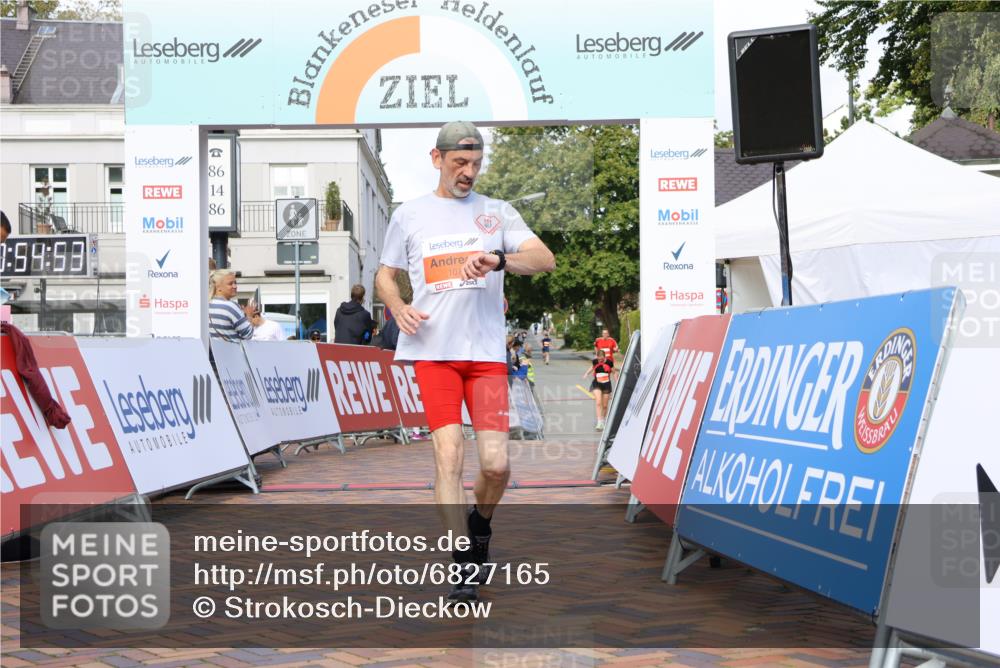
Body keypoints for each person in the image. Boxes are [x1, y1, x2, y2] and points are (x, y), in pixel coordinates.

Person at [375, 120, 556, 604]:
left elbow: (544, 259)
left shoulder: (497, 213)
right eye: (459, 163)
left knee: (496, 465)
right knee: (449, 455)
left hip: (485, 359)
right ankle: (461, 562)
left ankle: (481, 523)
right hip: (434, 355)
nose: (468, 172)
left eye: (475, 164)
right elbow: (385, 275)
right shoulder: (410, 215)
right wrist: (396, 306)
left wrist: (499, 259)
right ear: (437, 159)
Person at [208, 270, 254, 341]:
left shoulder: (207, 305)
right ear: (218, 287)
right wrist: (249, 316)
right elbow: (248, 334)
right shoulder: (230, 306)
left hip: (215, 351)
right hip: (233, 350)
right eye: (230, 284)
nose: (235, 286)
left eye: (235, 283)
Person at [583, 348, 618, 430]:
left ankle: (602, 420)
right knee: (598, 402)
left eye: (601, 359)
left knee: (605, 405)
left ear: (604, 357)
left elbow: (614, 372)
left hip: (606, 384)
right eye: (599, 359)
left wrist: (617, 380)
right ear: (597, 357)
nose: (600, 361)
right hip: (597, 383)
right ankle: (599, 422)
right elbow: (592, 367)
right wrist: (586, 374)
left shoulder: (609, 362)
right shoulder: (595, 361)